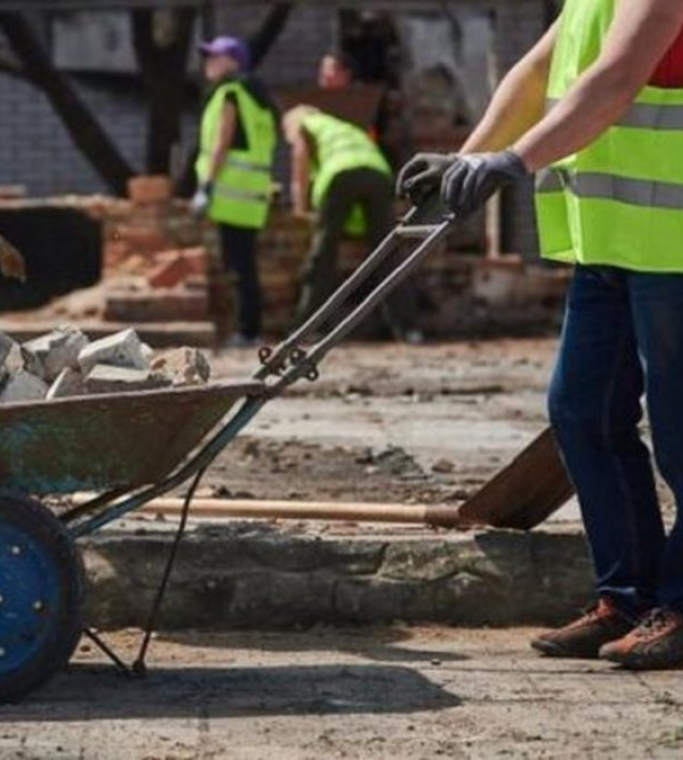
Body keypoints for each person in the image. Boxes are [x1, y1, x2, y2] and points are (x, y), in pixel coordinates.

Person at [399, 0, 683, 670]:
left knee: (680, 434)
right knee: (580, 412)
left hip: (673, 246)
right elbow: (536, 72)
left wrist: (514, 161)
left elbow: (614, 79)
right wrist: (464, 162)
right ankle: (629, 598)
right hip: (611, 242)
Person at [282, 105, 413, 338]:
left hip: (340, 174)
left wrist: (300, 206)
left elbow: (300, 158)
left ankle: (306, 325)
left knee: (323, 253)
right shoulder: (344, 126)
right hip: (378, 173)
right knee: (387, 252)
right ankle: (407, 328)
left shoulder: (303, 124)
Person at [193, 36, 277, 347]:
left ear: (234, 61)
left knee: (239, 265)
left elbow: (221, 143)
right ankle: (248, 329)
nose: (208, 63)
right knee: (244, 262)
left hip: (231, 192)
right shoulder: (258, 97)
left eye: (216, 57)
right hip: (252, 193)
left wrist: (206, 186)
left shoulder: (230, 93)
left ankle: (247, 331)